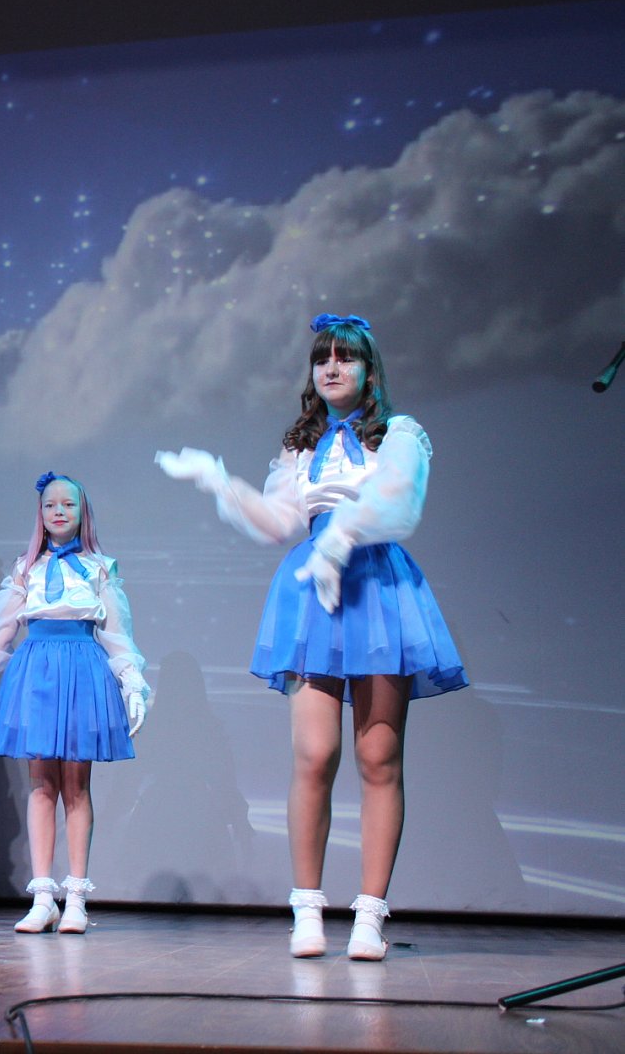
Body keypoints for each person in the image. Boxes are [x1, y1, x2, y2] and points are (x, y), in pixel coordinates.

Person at [156, 312, 467, 961]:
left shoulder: (398, 434)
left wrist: (345, 536)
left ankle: (369, 916)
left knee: (379, 757)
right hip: (312, 595)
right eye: (322, 358)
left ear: (370, 371)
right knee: (314, 755)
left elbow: (399, 501)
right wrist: (219, 480)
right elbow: (279, 521)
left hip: (375, 589)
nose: (331, 367)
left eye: (345, 357)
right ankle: (307, 909)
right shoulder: (304, 446)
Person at [0, 472, 149, 934]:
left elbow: (117, 634)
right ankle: (43, 897)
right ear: (40, 515)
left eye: (68, 504)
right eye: (50, 505)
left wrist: (132, 685)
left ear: (82, 512)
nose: (58, 511)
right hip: (38, 670)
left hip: (82, 669)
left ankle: (77, 897)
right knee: (41, 784)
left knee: (77, 786)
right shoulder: (25, 569)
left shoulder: (100, 568)